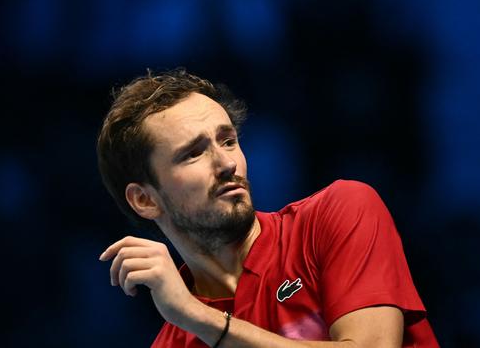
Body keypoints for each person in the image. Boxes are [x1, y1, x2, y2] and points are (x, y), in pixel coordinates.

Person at [97, 69, 440, 347]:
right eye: (193, 153)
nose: (226, 163)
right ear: (145, 199)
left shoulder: (339, 211)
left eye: (228, 140)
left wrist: (199, 317)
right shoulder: (176, 340)